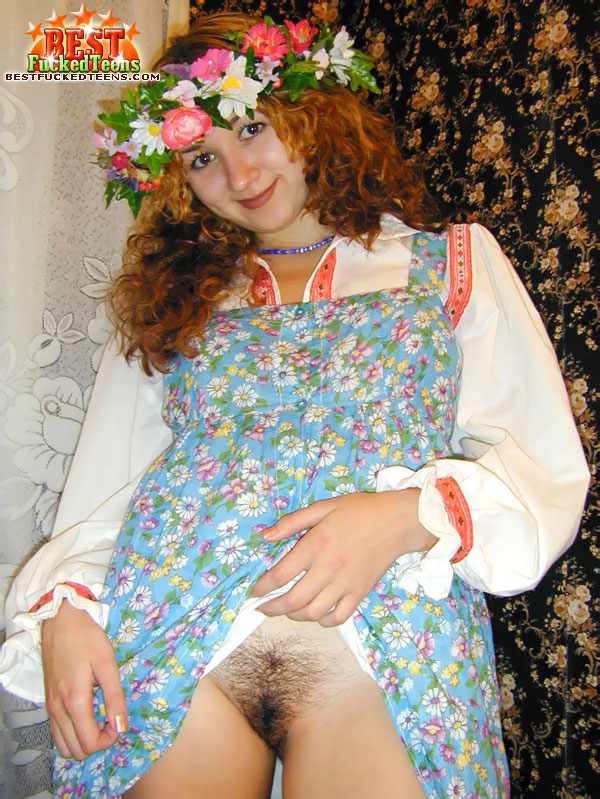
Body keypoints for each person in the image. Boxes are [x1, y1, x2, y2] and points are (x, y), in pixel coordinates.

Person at [0, 11, 589, 799]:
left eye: (252, 128)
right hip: (174, 647)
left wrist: (406, 514)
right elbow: (108, 491)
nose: (239, 173)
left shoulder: (451, 264)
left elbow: (542, 465)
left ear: (309, 113)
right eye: (202, 156)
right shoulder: (172, 304)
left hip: (388, 653)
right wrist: (66, 611)